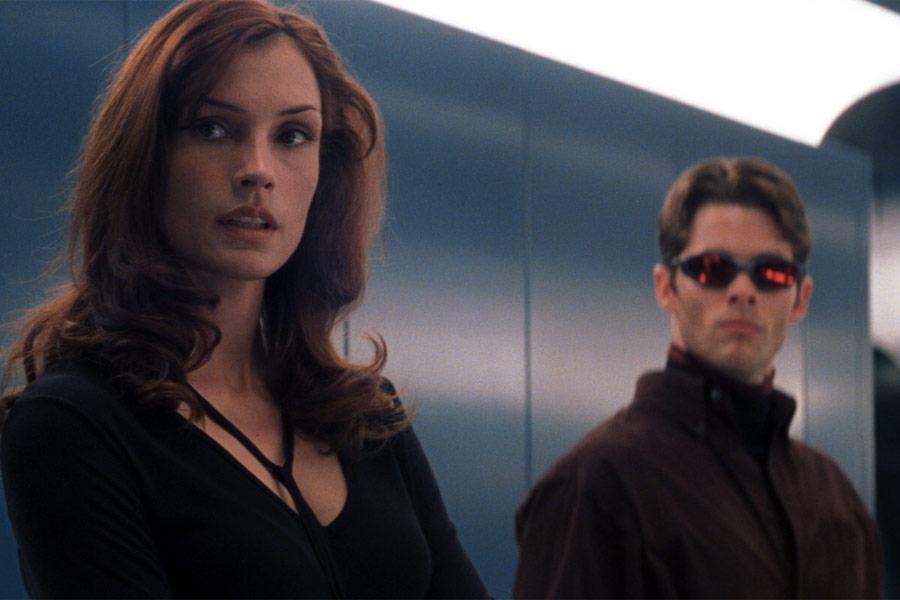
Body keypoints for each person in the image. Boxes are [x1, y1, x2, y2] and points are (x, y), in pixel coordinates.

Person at [0, 1, 489, 598]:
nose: (258, 170)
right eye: (213, 128)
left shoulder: (364, 413)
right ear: (146, 157)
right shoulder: (74, 423)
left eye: (292, 136)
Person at [513, 157, 883, 598]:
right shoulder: (596, 488)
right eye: (712, 268)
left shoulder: (839, 504)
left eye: (771, 273)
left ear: (800, 298)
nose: (742, 291)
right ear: (665, 287)